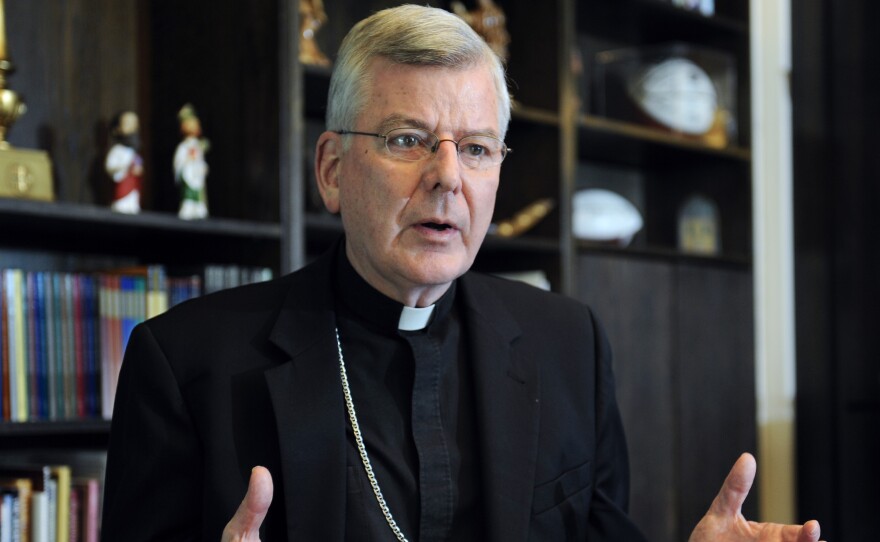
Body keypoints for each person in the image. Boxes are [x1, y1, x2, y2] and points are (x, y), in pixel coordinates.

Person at [101, 5, 824, 542]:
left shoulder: (567, 343)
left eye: (476, 149)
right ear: (331, 169)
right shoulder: (186, 364)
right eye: (406, 139)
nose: (447, 177)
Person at [174, 103, 210, 220]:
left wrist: (203, 167)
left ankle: (198, 209)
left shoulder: (198, 146)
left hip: (197, 174)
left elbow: (200, 160)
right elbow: (179, 161)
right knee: (188, 193)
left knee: (198, 193)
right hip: (188, 174)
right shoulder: (183, 147)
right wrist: (187, 160)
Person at [105, 110, 144, 214]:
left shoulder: (134, 152)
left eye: (134, 125)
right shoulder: (117, 150)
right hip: (122, 190)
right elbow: (110, 167)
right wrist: (124, 165)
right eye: (127, 124)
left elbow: (139, 167)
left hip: (133, 190)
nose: (131, 129)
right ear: (118, 129)